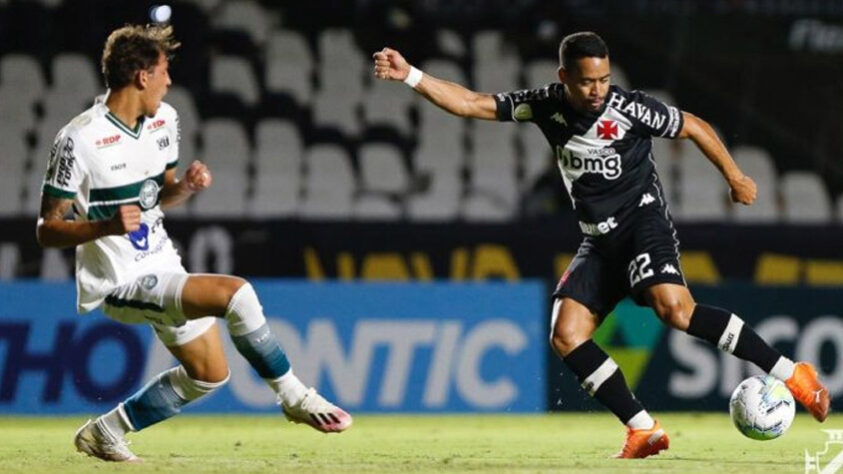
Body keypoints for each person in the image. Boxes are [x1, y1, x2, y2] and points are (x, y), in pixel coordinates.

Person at [372, 32, 829, 459]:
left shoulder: (629, 108)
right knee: (566, 335)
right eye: (588, 81)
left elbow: (693, 125)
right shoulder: (545, 106)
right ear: (564, 77)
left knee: (674, 309)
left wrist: (735, 176)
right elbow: (471, 103)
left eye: (604, 79)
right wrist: (410, 74)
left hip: (641, 222)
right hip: (599, 239)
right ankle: (642, 428)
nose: (597, 90)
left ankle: (794, 375)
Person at [37, 24, 351, 463]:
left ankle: (105, 431)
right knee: (236, 294)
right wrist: (103, 228)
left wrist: (185, 186)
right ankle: (295, 396)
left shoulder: (165, 121)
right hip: (119, 279)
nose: (169, 81)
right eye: (163, 71)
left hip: (162, 261)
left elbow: (158, 196)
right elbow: (47, 228)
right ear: (142, 76)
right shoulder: (78, 139)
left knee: (209, 374)